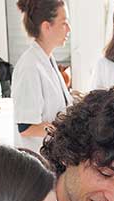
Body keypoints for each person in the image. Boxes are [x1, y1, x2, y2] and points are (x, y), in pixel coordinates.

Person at [12, 0, 73, 152]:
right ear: (47, 27)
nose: (69, 29)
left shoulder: (47, 60)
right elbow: (26, 127)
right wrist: (67, 134)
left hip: (53, 155)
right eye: (64, 23)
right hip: (37, 158)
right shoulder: (30, 66)